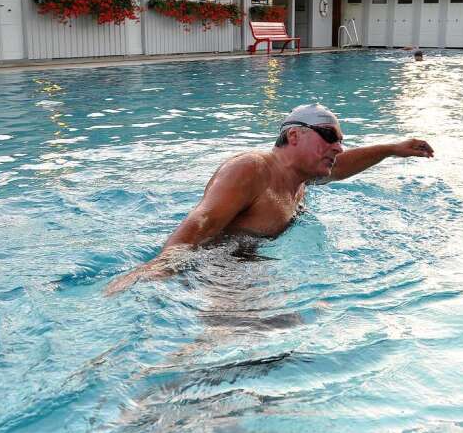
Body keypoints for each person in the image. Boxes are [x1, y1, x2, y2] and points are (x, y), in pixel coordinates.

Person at [104, 104, 434, 295]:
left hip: (252, 269)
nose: (338, 148)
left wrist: (392, 149)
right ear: (294, 135)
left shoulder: (301, 181)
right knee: (231, 347)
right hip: (218, 271)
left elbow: (344, 166)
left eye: (340, 141)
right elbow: (199, 224)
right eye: (331, 137)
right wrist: (154, 271)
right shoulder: (252, 169)